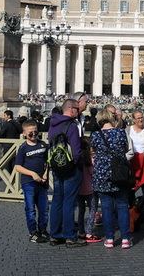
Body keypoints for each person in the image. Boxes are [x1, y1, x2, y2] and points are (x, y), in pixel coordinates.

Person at [47, 98, 87, 248]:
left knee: (57, 200)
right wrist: (76, 163)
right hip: (70, 168)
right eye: (77, 109)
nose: (78, 111)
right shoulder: (71, 126)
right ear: (71, 110)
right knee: (69, 202)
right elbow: (76, 151)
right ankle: (70, 236)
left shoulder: (52, 124)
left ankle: (55, 234)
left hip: (56, 167)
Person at [92, 107, 133, 249]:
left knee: (106, 207)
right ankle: (125, 239)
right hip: (119, 173)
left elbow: (92, 151)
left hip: (102, 174)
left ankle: (109, 238)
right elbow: (127, 148)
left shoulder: (96, 135)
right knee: (122, 206)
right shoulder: (121, 132)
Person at [13, 119, 49, 243]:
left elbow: (47, 162)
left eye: (35, 132)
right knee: (30, 209)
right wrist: (32, 174)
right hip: (28, 181)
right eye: (30, 134)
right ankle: (33, 232)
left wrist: (45, 174)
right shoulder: (23, 148)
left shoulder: (43, 144)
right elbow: (17, 167)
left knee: (44, 209)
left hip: (42, 181)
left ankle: (43, 230)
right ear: (24, 134)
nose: (33, 135)